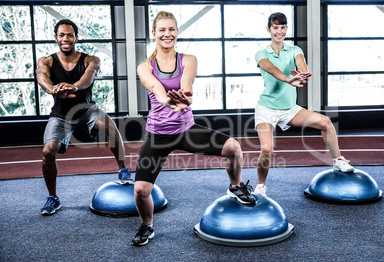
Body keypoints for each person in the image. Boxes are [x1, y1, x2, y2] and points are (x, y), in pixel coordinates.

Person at [132, 11, 256, 246]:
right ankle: (146, 226)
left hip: (187, 130)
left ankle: (235, 186)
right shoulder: (144, 67)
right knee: (140, 191)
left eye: (171, 30)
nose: (167, 34)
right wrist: (168, 101)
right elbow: (156, 89)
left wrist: (186, 97)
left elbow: (186, 81)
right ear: (154, 33)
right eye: (162, 30)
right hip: (158, 135)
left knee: (233, 147)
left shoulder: (188, 59)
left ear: (177, 32)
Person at [36, 19, 132, 215]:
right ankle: (53, 197)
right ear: (56, 38)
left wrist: (75, 86)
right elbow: (41, 77)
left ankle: (123, 170)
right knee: (48, 151)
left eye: (70, 35)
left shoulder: (91, 59)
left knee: (108, 123)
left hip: (86, 110)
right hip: (61, 115)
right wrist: (53, 89)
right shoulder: (46, 60)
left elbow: (89, 76)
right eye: (62, 35)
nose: (66, 38)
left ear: (76, 37)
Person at [254, 12, 354, 195]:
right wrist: (287, 79)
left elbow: (302, 64)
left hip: (289, 109)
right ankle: (261, 185)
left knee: (326, 122)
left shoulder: (294, 50)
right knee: (267, 148)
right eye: (275, 27)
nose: (279, 31)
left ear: (286, 29)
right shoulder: (261, 53)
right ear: (268, 29)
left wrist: (303, 74)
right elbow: (269, 68)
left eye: (282, 27)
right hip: (266, 109)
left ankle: (338, 160)